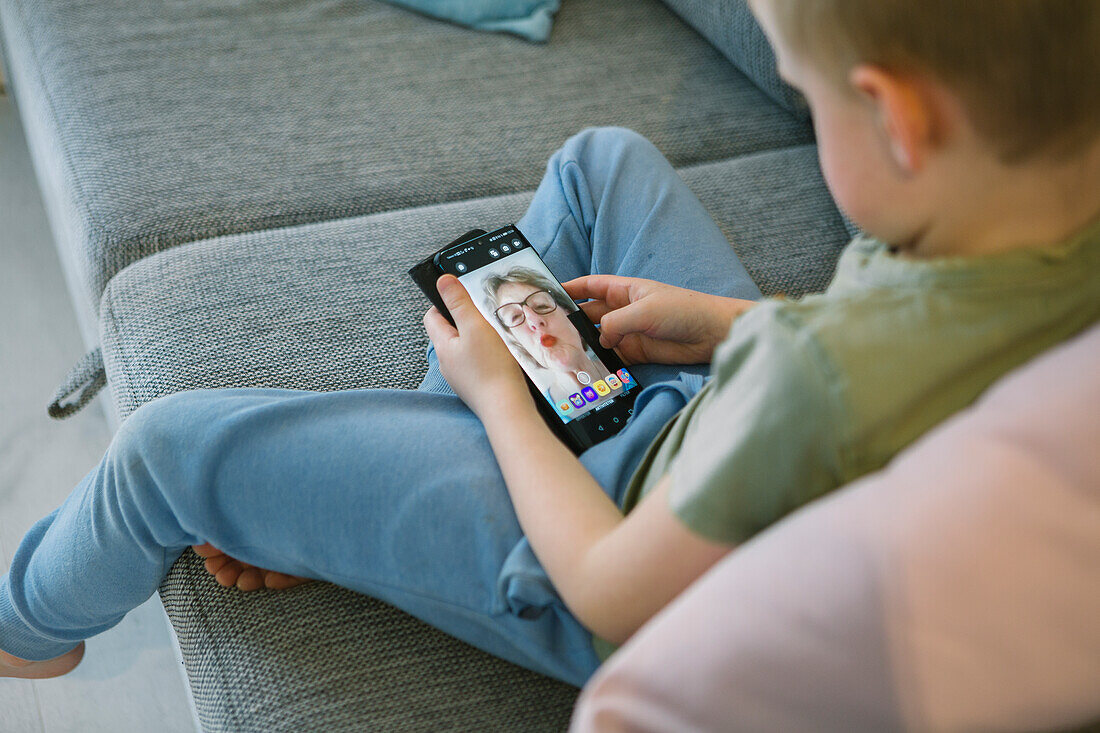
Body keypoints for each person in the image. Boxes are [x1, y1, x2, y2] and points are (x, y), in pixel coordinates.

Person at [2, 0, 1098, 697]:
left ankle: (24, 624)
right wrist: (722, 325)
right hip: (737, 421)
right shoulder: (1051, 242)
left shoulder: (820, 379)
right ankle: (369, 494)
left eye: (808, 106)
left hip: (623, 539)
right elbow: (888, 353)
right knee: (600, 160)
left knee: (164, 449)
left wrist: (496, 406)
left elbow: (614, 593)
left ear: (893, 121)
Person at [482, 266, 613, 413]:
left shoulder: (620, 358)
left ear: (569, 314)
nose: (534, 321)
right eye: (516, 317)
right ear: (518, 342)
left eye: (541, 305)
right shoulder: (535, 413)